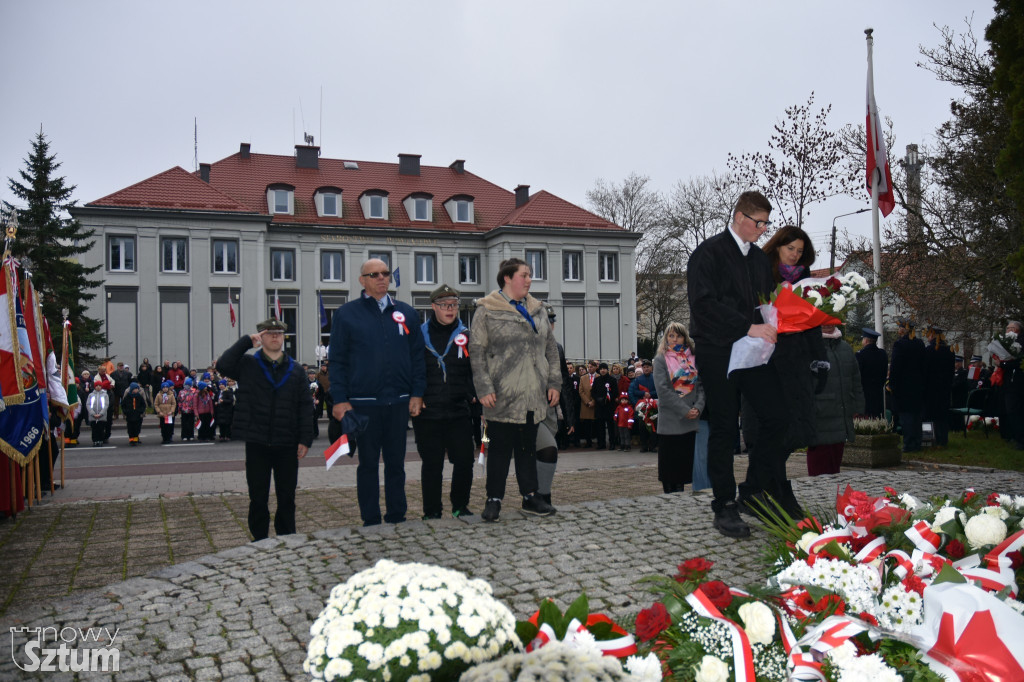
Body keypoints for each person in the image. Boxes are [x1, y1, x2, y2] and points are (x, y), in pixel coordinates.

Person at [686, 190, 791, 538]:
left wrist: (780, 320)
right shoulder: (708, 253)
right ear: (739, 217)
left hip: (754, 351)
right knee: (725, 427)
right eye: (758, 223)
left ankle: (752, 490)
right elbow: (703, 305)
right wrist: (747, 326)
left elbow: (766, 303)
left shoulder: (760, 261)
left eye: (766, 223)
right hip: (718, 350)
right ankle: (724, 504)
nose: (763, 230)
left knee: (780, 416)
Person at [328, 258, 426, 527]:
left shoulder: (406, 313)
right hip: (363, 404)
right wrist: (339, 399)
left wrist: (417, 393)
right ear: (363, 280)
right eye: (374, 274)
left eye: (385, 273)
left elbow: (417, 357)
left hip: (398, 402)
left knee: (397, 464)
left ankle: (397, 516)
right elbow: (336, 361)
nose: (382, 278)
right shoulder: (347, 314)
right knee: (368, 465)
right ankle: (370, 519)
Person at [469, 257, 559, 522]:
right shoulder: (487, 309)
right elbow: (477, 352)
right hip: (501, 394)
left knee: (527, 449)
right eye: (524, 275)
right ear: (507, 278)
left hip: (533, 394)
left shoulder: (538, 309)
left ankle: (531, 496)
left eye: (530, 275)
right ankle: (493, 500)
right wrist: (483, 387)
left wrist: (554, 383)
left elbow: (551, 350)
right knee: (498, 450)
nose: (529, 280)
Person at [216, 318, 313, 541]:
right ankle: (259, 539)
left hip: (287, 443)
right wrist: (246, 342)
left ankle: (287, 536)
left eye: (279, 333)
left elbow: (305, 407)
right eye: (269, 333)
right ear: (261, 337)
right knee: (258, 496)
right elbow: (223, 365)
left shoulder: (296, 370)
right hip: (257, 441)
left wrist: (305, 439)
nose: (275, 337)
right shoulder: (248, 365)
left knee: (287, 496)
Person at [413, 284, 476, 520]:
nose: (450, 309)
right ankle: (432, 510)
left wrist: (473, 395)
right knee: (432, 464)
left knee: (464, 460)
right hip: (428, 412)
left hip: (458, 410)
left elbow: (475, 371)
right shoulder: (419, 335)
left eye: (454, 305)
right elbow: (412, 370)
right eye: (444, 305)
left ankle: (460, 505)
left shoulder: (466, 335)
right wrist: (416, 396)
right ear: (433, 307)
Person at [652, 322, 706, 493]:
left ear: (685, 338)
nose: (675, 339)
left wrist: (697, 408)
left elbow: (701, 388)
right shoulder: (660, 360)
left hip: (690, 421)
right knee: (669, 470)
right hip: (670, 422)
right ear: (666, 338)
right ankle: (670, 500)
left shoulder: (693, 359)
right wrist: (684, 410)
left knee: (683, 470)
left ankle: (680, 499)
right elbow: (663, 391)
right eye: (671, 335)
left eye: (679, 335)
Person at [806, 325, 864, 475]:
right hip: (820, 416)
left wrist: (858, 406)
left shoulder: (845, 348)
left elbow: (855, 379)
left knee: (835, 465)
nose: (828, 324)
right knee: (819, 468)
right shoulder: (808, 346)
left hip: (841, 415)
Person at [535, 304, 575, 506]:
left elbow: (564, 383)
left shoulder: (557, 348)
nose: (550, 325)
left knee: (549, 451)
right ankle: (536, 495)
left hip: (550, 409)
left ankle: (544, 494)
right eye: (546, 321)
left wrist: (569, 417)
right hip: (529, 408)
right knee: (541, 450)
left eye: (552, 322)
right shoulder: (529, 345)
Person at [889, 318, 927, 452]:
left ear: (903, 330)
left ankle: (909, 443)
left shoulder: (900, 345)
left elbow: (895, 367)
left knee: (906, 416)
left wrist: (892, 384)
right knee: (916, 416)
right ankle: (917, 441)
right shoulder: (920, 344)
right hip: (918, 385)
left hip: (903, 386)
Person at [923, 325, 955, 447]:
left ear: (932, 336)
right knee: (943, 415)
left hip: (931, 388)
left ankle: (932, 439)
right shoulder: (950, 350)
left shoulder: (929, 350)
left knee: (931, 415)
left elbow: (925, 370)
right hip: (945, 387)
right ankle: (943, 439)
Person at [856, 328, 888, 418]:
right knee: (878, 420)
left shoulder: (860, 355)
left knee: (865, 421)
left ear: (866, 340)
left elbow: (857, 376)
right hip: (878, 393)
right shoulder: (882, 354)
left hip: (864, 394)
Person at [629, 360, 658, 452]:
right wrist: (643, 393)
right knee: (642, 427)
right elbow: (635, 391)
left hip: (653, 405)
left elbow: (659, 390)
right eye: (644, 367)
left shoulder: (655, 378)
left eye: (648, 367)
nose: (646, 369)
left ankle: (653, 445)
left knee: (654, 426)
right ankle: (644, 445)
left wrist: (650, 394)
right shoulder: (638, 379)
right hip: (642, 406)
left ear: (651, 368)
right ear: (642, 368)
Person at [592, 362, 618, 450]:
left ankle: (612, 443)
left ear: (607, 370)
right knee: (600, 426)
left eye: (604, 369)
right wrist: (598, 399)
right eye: (601, 369)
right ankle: (601, 443)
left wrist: (607, 399)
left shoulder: (612, 380)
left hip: (609, 406)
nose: (603, 370)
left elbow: (615, 392)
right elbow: (593, 392)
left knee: (610, 427)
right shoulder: (597, 380)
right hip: (599, 406)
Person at [578, 360, 598, 448]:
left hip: (596, 404)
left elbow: (600, 391)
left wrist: (594, 401)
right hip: (586, 404)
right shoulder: (583, 378)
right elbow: (581, 391)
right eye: (589, 367)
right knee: (587, 424)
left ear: (595, 367)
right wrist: (587, 401)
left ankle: (598, 440)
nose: (590, 368)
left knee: (597, 423)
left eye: (592, 367)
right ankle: (588, 441)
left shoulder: (598, 377)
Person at [87, 381, 111, 447]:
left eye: (99, 386)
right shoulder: (91, 395)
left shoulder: (105, 395)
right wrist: (93, 413)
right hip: (93, 416)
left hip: (101, 416)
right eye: (96, 386)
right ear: (95, 387)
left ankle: (100, 440)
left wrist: (101, 414)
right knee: (94, 429)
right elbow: (88, 405)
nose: (98, 387)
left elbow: (106, 405)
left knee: (100, 429)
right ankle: (95, 441)